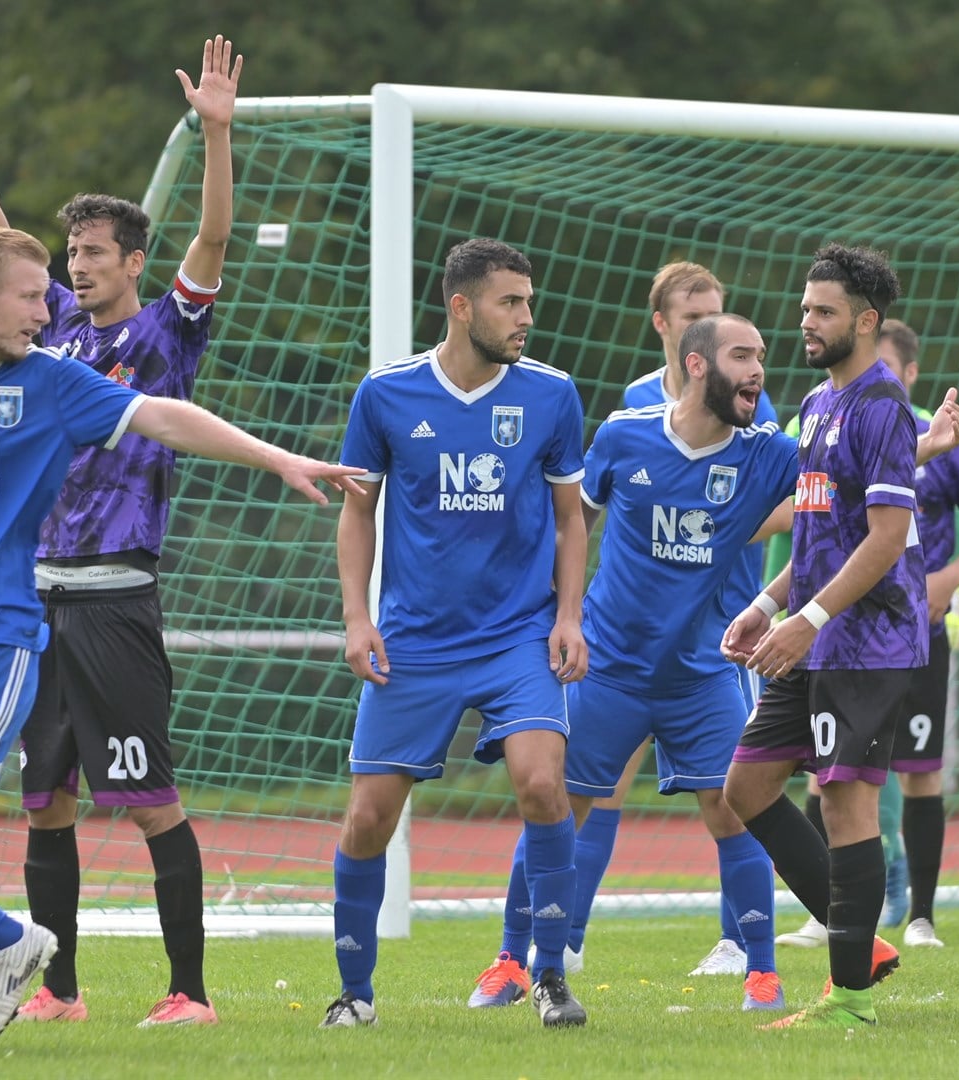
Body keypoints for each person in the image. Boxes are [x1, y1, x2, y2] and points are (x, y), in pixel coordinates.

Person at [0, 227, 361, 1056]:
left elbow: (165, 417)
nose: (50, 310)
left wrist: (276, 457)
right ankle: (7, 936)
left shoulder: (54, 383)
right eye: (33, 295)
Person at [0, 36, 241, 1026]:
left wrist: (218, 138)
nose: (77, 266)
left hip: (116, 597)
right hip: (36, 595)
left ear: (133, 262)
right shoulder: (51, 328)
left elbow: (215, 245)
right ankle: (59, 990)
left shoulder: (163, 335)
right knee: (45, 801)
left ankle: (188, 993)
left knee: (150, 804)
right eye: (72, 256)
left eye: (95, 254)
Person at [476, 312, 794, 1014]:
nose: (759, 371)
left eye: (763, 357)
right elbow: (572, 525)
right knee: (561, 807)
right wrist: (560, 617)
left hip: (703, 672)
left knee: (736, 806)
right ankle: (511, 962)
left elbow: (846, 474)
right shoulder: (624, 434)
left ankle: (762, 974)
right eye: (743, 356)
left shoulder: (767, 454)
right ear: (698, 364)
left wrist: (925, 446)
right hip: (608, 669)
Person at [324, 238, 590, 1030]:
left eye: (530, 302)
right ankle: (354, 994)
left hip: (518, 637)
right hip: (416, 642)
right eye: (511, 302)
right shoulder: (386, 394)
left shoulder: (552, 395)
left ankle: (547, 976)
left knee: (543, 785)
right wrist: (357, 618)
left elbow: (573, 519)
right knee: (368, 819)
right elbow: (357, 509)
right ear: (462, 306)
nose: (526, 318)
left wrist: (569, 615)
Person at [722, 243, 948, 1030]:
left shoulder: (882, 405)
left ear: (866, 320)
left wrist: (808, 620)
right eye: (805, 306)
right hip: (814, 634)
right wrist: (765, 604)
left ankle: (849, 997)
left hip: (867, 640)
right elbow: (823, 539)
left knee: (847, 802)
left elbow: (887, 536)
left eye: (823, 310)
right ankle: (865, 947)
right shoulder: (818, 405)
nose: (805, 321)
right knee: (745, 788)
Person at [561, 262, 779, 981]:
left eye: (718, 310)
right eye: (694, 314)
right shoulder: (631, 412)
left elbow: (779, 499)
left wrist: (714, 529)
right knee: (598, 787)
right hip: (626, 637)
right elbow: (596, 512)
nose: (710, 323)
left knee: (727, 795)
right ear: (666, 328)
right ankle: (566, 937)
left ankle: (740, 944)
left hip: (716, 630)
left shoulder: (753, 405)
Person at [773, 320, 959, 950]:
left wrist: (944, 581)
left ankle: (914, 916)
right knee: (823, 780)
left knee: (907, 773)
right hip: (828, 626)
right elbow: (794, 510)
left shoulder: (925, 429)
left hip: (910, 631)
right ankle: (845, 915)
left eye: (887, 367)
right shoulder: (821, 414)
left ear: (907, 374)